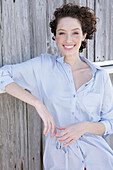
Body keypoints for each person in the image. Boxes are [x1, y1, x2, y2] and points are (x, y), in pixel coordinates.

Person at [0, 3, 113, 170]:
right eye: (62, 33)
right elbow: (3, 75)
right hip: (61, 161)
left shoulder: (99, 76)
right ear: (55, 36)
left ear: (84, 35)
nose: (68, 40)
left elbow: (109, 123)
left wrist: (83, 127)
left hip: (99, 160)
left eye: (75, 33)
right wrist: (38, 103)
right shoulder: (43, 67)